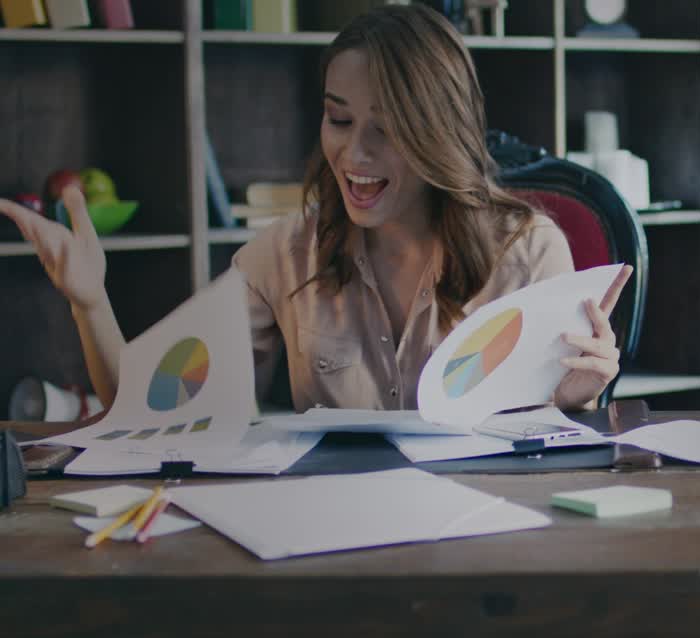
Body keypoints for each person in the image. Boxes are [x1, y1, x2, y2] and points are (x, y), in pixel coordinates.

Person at [0, 4, 631, 414]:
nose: (354, 153)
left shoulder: (528, 251)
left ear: (439, 134)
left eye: (385, 129)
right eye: (339, 118)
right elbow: (150, 405)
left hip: (483, 544)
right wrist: (89, 301)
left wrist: (576, 401)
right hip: (334, 554)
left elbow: (552, 452)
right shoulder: (288, 251)